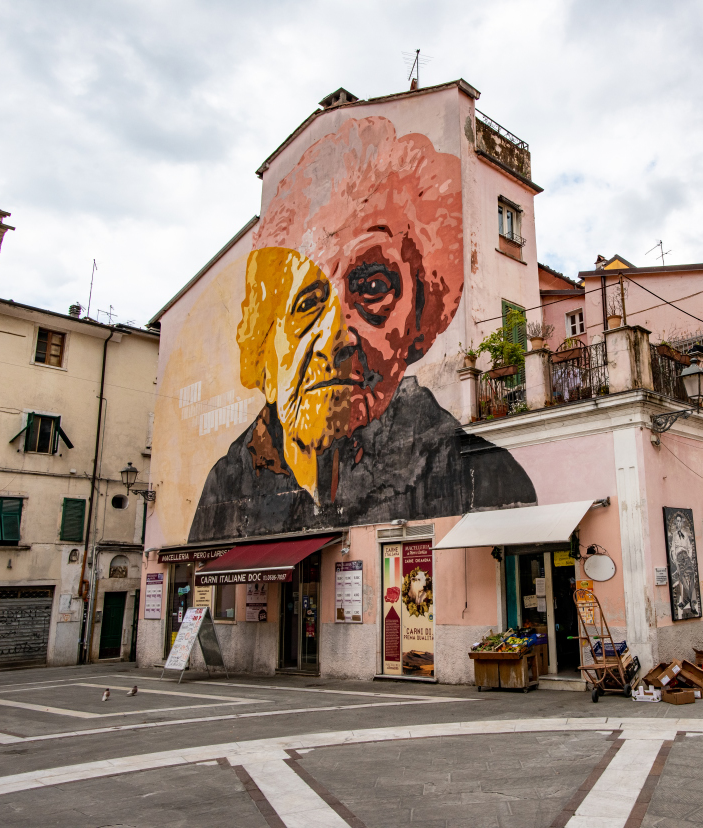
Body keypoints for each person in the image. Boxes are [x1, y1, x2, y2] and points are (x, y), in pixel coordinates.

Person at [189, 117, 535, 542]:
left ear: (421, 323)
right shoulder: (224, 484)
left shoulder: (476, 471)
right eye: (308, 303)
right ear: (266, 340)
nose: (337, 339)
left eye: (372, 288)